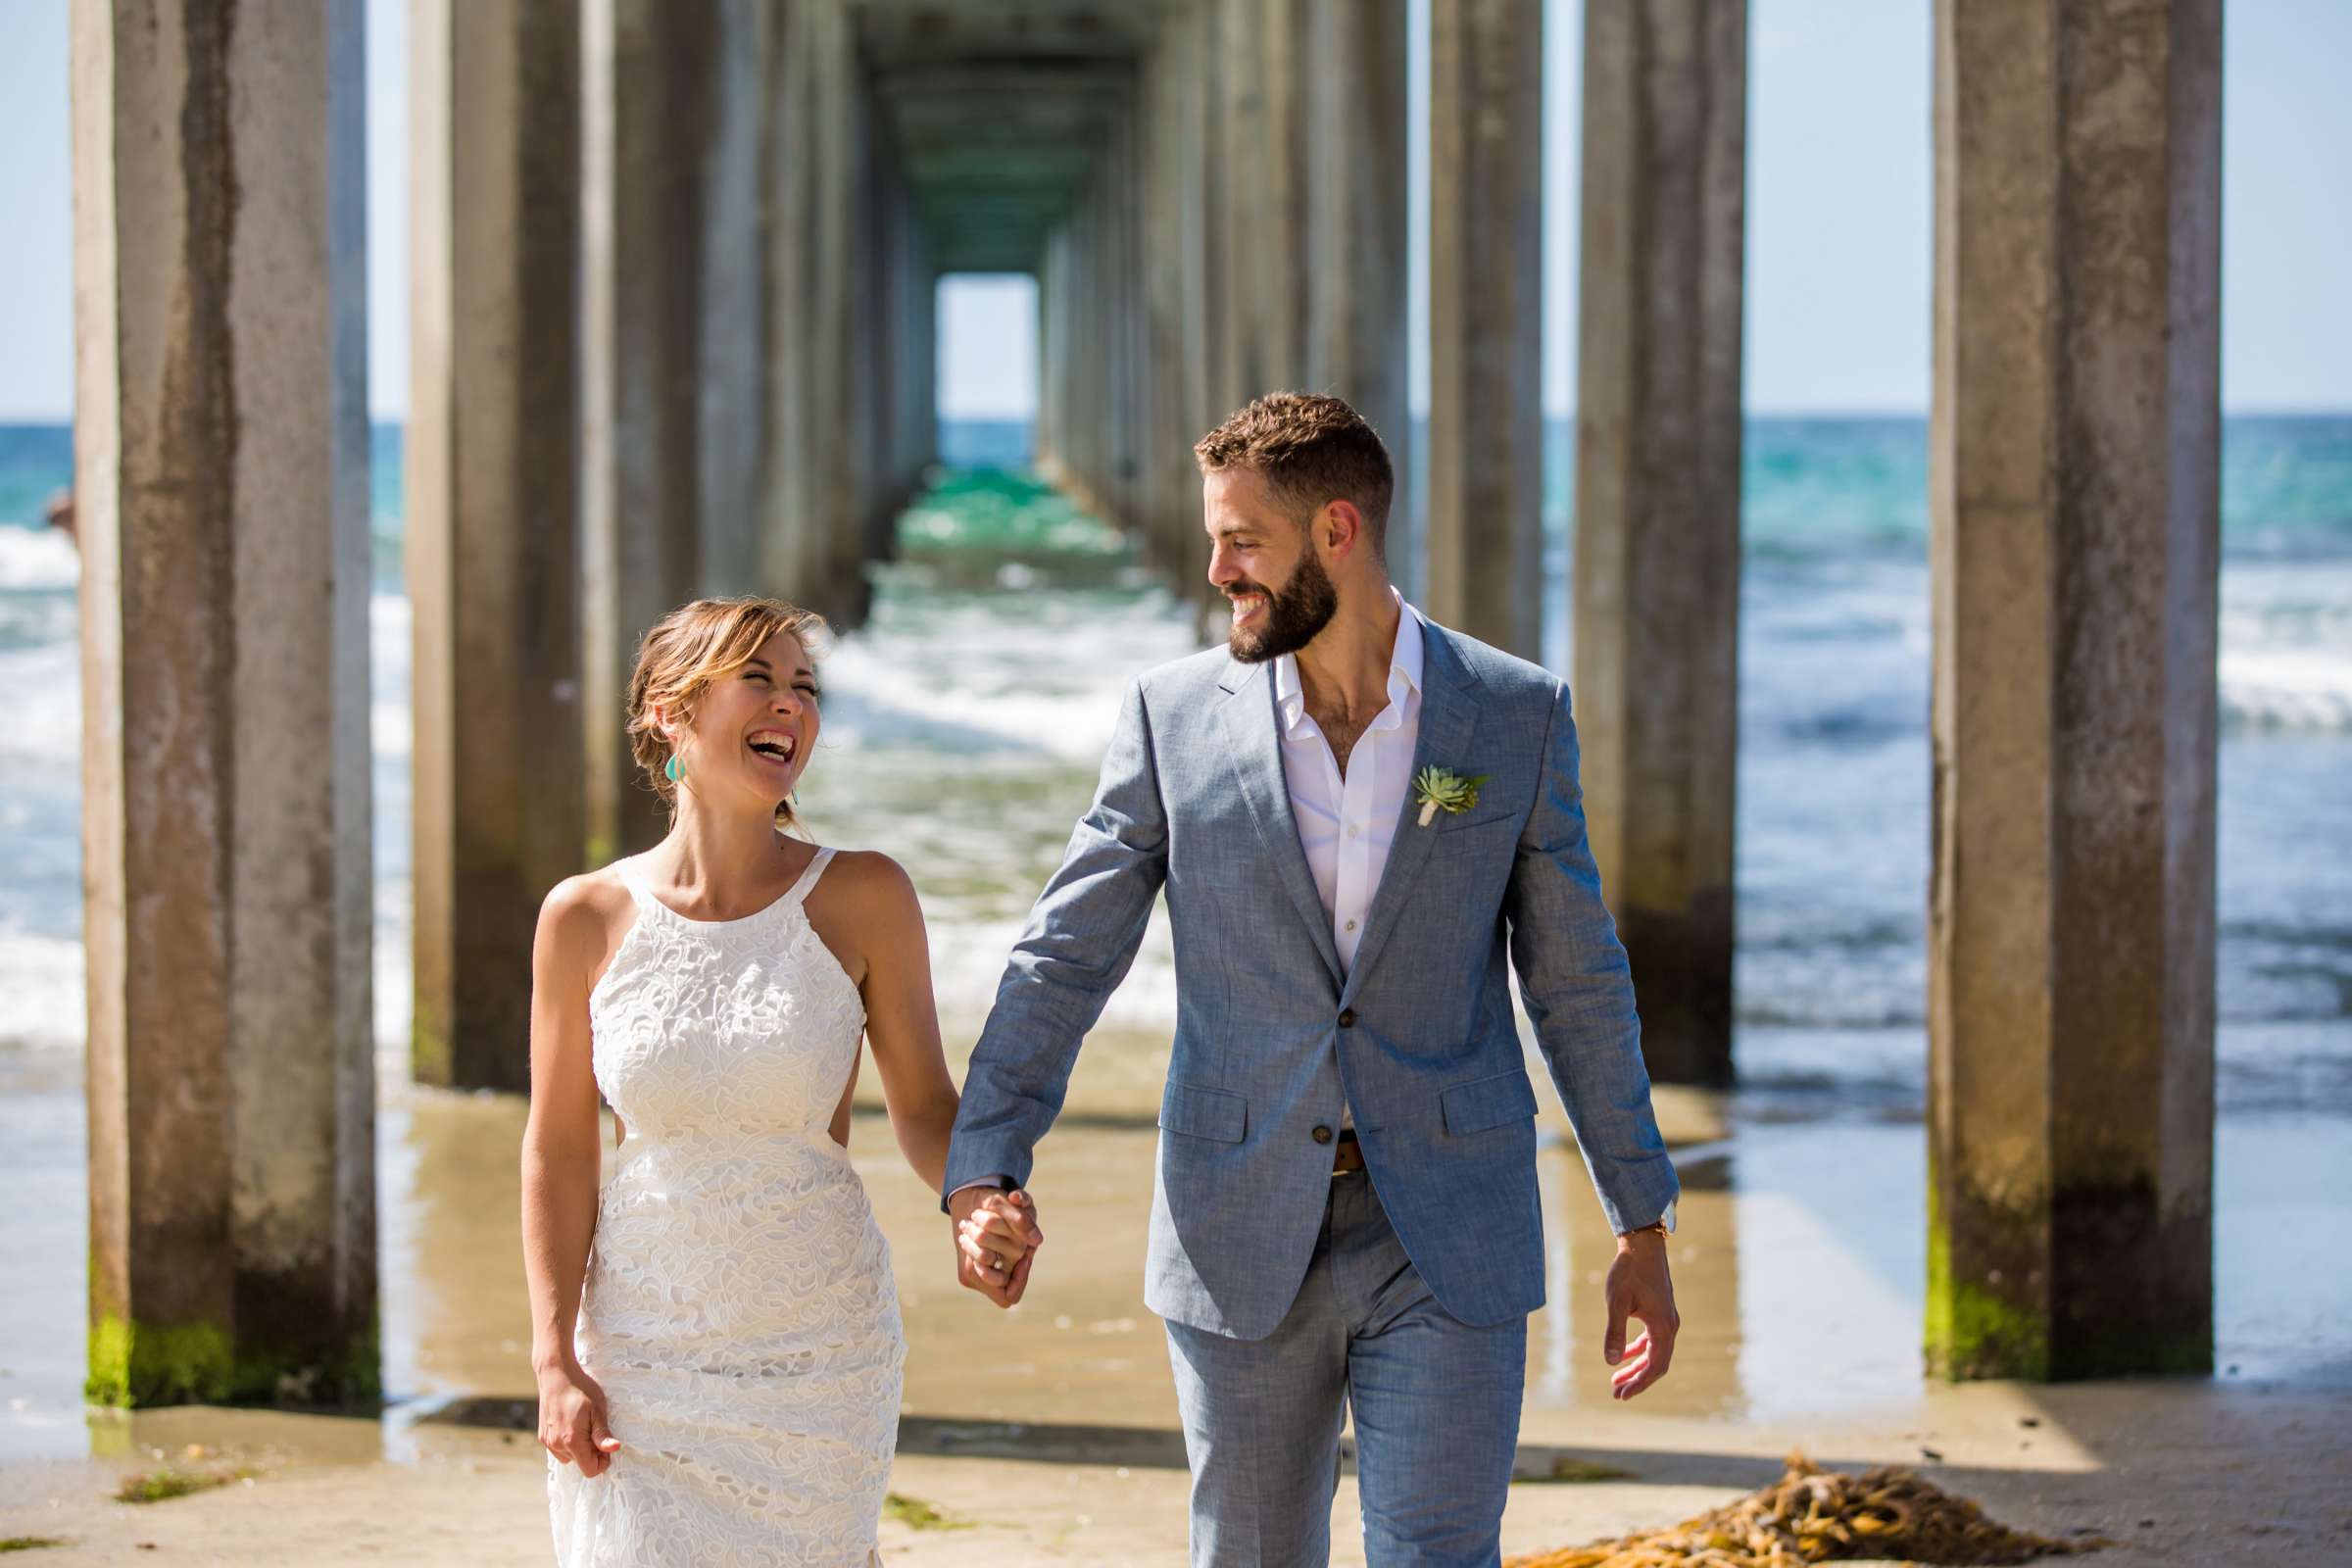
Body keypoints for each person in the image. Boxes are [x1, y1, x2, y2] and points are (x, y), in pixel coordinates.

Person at [947, 393, 1682, 1566]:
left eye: (1243, 541)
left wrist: (1639, 1219)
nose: (1215, 570)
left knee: (1439, 1552)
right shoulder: (1171, 715)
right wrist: (985, 1166)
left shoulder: (1510, 712)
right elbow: (1064, 954)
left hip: (1447, 1219)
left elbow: (1577, 978)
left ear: (1336, 530)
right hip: (1237, 1218)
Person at [521, 596, 1034, 1566]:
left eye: (805, 686)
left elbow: (925, 1106)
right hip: (641, 1347)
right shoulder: (581, 916)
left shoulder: (866, 893)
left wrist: (976, 1198)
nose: (791, 706)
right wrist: (554, 1356)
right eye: (758, 677)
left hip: (817, 1348)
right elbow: (557, 1149)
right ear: (671, 712)